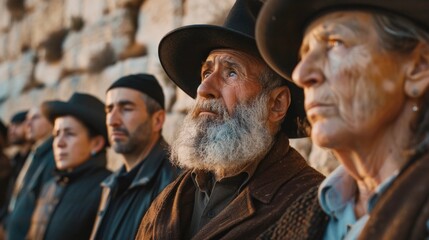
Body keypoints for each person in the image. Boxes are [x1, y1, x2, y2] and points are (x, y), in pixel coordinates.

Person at [135, 0, 326, 239]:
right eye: (206, 72)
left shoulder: (309, 204)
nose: (204, 88)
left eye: (231, 72)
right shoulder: (171, 199)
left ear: (276, 104)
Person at [256, 0, 429, 239]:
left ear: (419, 67)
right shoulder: (302, 216)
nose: (301, 74)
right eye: (304, 53)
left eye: (336, 43)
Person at [90, 74, 179, 240]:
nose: (112, 121)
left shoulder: (175, 182)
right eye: (109, 110)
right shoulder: (110, 184)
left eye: (126, 108)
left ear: (157, 120)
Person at [26, 93, 112, 240]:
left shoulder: (107, 188)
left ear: (96, 143)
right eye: (56, 134)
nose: (59, 143)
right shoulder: (50, 184)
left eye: (69, 134)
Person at [6, 106, 55, 240]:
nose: (28, 124)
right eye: (27, 119)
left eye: (35, 118)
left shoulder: (53, 156)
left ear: (52, 122)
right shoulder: (36, 153)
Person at [1, 111, 32, 223]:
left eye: (17, 125)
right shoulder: (15, 160)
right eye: (11, 126)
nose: (12, 130)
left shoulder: (34, 157)